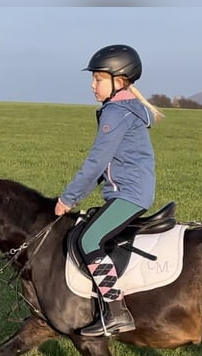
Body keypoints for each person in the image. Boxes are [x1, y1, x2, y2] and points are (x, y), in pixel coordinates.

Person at [54, 44, 164, 337]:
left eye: (99, 79)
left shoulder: (116, 112)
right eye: (93, 79)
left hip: (130, 194)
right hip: (127, 191)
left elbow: (96, 162)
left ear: (120, 80)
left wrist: (68, 199)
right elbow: (106, 167)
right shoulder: (122, 109)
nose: (93, 85)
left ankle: (117, 313)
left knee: (89, 239)